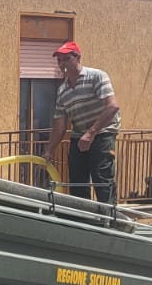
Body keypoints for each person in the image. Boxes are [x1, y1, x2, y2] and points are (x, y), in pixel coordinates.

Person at [46, 41, 121, 204]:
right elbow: (60, 126)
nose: (62, 64)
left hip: (102, 133)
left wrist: (91, 133)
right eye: (59, 61)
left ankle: (108, 220)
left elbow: (112, 107)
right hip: (79, 136)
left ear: (77, 57)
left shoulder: (97, 76)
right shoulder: (63, 91)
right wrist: (49, 150)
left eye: (65, 59)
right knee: (77, 181)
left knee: (102, 178)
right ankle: (83, 219)